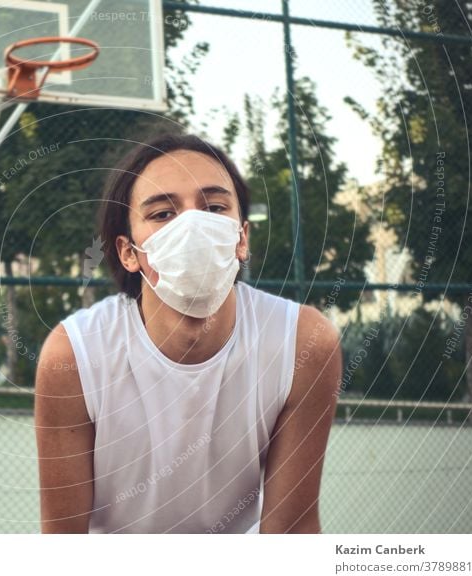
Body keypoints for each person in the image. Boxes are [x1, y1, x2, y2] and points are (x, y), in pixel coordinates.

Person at [34, 134, 343, 534]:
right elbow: (63, 546)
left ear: (241, 238)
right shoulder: (73, 356)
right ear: (129, 252)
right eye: (162, 214)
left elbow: (293, 530)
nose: (193, 225)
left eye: (214, 207)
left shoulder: (305, 343)